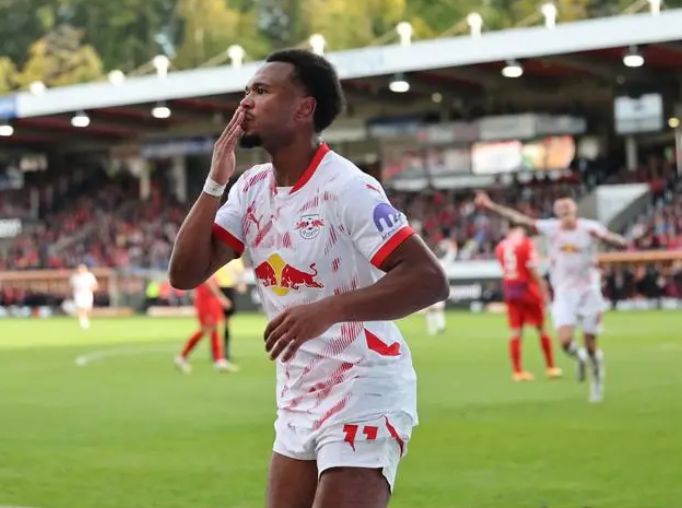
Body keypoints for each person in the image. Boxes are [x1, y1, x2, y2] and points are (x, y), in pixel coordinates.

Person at [169, 49, 449, 508]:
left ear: (304, 109)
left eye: (262, 91)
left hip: (365, 385)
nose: (245, 102)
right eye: (246, 91)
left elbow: (429, 279)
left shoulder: (347, 187)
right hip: (298, 393)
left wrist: (328, 310)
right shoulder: (251, 188)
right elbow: (185, 273)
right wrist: (215, 182)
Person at [475, 192, 627, 402]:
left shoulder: (590, 228)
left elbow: (622, 243)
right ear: (557, 214)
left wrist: (607, 239)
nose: (565, 214)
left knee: (591, 344)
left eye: (568, 210)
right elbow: (520, 219)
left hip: (589, 291)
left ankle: (596, 381)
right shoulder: (552, 228)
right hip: (565, 292)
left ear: (574, 211)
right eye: (561, 211)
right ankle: (580, 357)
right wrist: (491, 206)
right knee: (565, 342)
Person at [494, 226, 562, 381]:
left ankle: (517, 371)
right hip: (527, 290)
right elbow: (531, 268)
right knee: (541, 329)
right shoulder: (526, 243)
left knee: (516, 332)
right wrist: (541, 285)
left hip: (511, 291)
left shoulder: (501, 246)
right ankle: (551, 367)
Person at [175, 275, 235, 374]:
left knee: (213, 328)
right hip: (205, 300)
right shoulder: (205, 268)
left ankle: (218, 360)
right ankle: (182, 356)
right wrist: (221, 298)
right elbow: (208, 282)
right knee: (206, 329)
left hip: (209, 300)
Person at [214, 258, 247, 369]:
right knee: (218, 323)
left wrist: (241, 284)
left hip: (229, 289)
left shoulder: (235, 259)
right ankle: (218, 354)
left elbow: (240, 274)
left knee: (227, 323)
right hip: (220, 288)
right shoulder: (222, 257)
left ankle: (224, 353)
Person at [70, 263, 98, 330]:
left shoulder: (90, 276)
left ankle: (85, 318)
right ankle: (83, 321)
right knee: (80, 307)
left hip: (88, 294)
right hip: (78, 294)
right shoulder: (75, 277)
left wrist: (91, 289)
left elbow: (95, 285)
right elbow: (71, 285)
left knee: (87, 308)